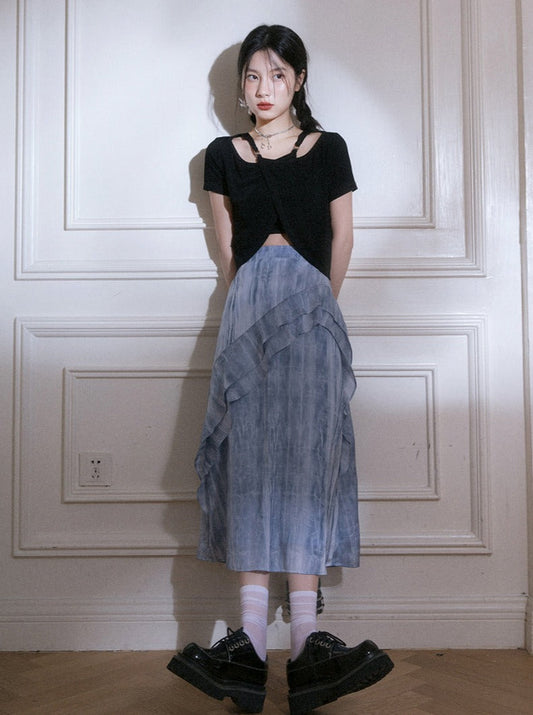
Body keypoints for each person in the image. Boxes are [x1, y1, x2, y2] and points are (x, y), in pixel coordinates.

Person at [167, 24, 393, 714]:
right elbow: (227, 250)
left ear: (298, 81)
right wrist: (255, 301)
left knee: (305, 464)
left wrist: (319, 302)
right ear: (241, 86)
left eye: (277, 74)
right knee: (249, 463)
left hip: (311, 308)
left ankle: (305, 647)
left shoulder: (330, 148)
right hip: (248, 308)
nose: (263, 88)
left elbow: (343, 235)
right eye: (252, 75)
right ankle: (247, 645)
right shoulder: (220, 155)